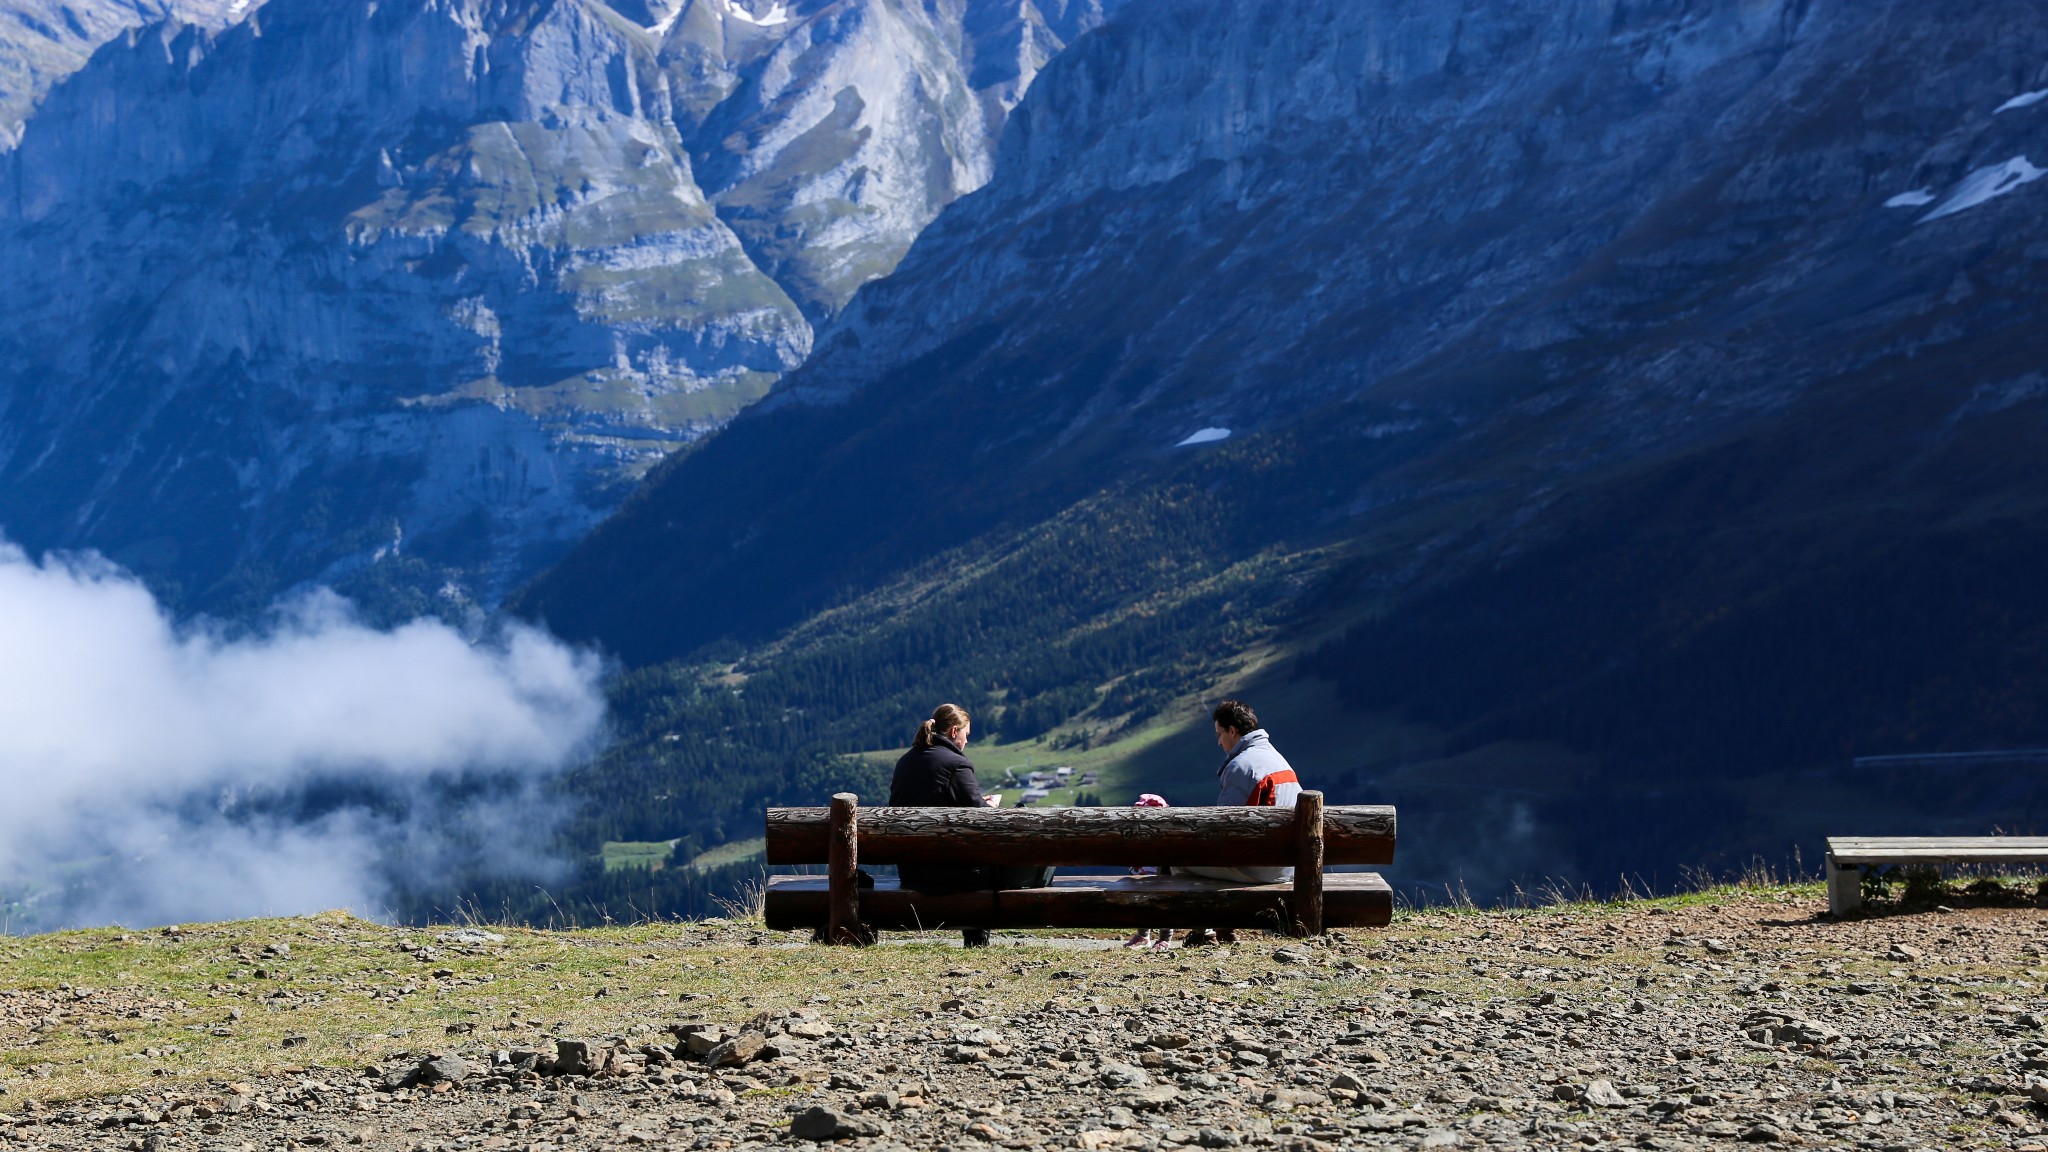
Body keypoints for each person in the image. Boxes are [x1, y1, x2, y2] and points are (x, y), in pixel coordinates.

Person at [888, 703, 1050, 946]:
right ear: (954, 732)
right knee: (1014, 868)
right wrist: (991, 808)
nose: (966, 742)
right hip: (950, 872)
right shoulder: (956, 764)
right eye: (966, 735)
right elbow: (981, 819)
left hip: (911, 870)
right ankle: (976, 936)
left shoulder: (905, 761)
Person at [1179, 699, 1302, 947]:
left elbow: (1225, 828)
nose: (1218, 742)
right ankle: (1226, 929)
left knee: (1180, 864)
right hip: (1290, 866)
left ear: (1232, 731)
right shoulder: (1276, 758)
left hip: (1261, 868)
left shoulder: (1242, 766)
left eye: (1220, 734)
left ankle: (1204, 933)